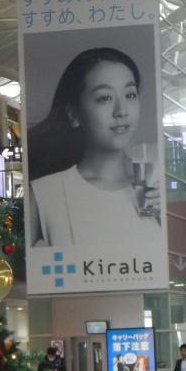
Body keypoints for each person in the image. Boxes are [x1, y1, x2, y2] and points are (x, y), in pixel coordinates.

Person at [26, 47, 161, 247]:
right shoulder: (46, 194)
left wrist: (165, 218)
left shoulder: (156, 184)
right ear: (74, 114)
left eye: (130, 95)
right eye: (105, 98)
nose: (122, 111)